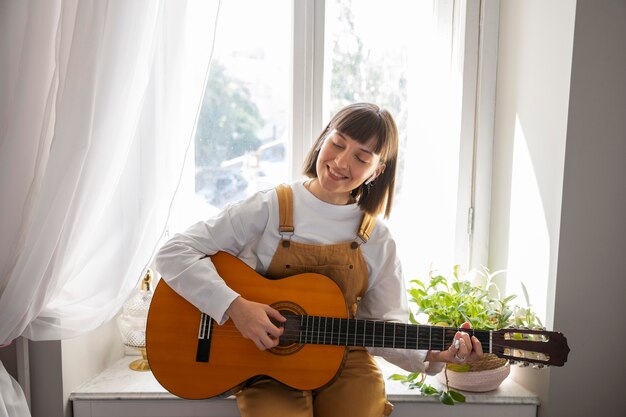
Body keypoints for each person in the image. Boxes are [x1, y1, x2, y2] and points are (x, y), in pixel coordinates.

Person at [155, 102, 483, 417]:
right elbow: (173, 252)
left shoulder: (377, 238)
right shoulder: (270, 207)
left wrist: (438, 353)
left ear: (377, 170)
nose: (341, 161)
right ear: (324, 137)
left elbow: (385, 327)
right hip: (265, 359)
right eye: (337, 143)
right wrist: (235, 307)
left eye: (361, 157)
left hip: (345, 363)